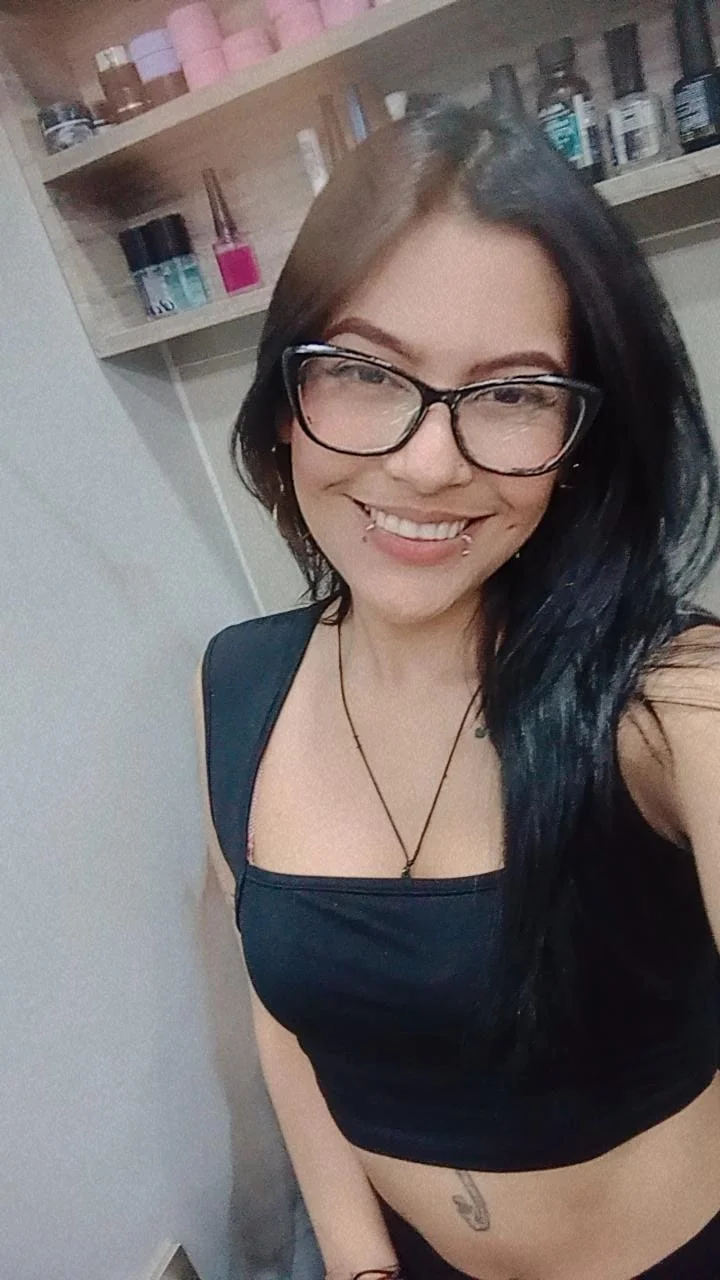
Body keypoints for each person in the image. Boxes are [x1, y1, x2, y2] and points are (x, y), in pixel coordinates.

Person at [194, 100, 720, 1280]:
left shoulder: (675, 698)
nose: (428, 462)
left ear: (580, 440)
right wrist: (356, 1258)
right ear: (285, 398)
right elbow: (291, 1019)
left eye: (515, 393)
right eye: (361, 370)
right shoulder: (234, 680)